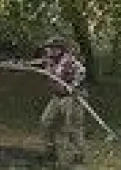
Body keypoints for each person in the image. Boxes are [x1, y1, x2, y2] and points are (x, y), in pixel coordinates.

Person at [30, 37, 86, 167]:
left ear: (59, 49)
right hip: (56, 97)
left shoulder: (69, 61)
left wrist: (73, 85)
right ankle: (49, 152)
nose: (48, 50)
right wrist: (18, 64)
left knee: (73, 128)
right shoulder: (48, 61)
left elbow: (82, 71)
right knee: (46, 122)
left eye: (52, 48)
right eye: (48, 48)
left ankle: (79, 155)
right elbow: (33, 63)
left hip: (72, 98)